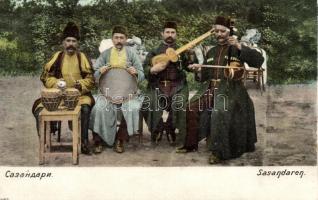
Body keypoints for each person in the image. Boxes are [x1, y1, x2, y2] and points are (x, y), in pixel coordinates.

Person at [177, 16, 264, 164]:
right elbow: (204, 76)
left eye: (222, 31)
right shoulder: (211, 52)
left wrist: (239, 46)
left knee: (219, 111)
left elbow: (258, 60)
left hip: (231, 90)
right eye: (216, 31)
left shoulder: (237, 47)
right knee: (191, 107)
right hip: (211, 89)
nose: (219, 34)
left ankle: (219, 152)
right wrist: (198, 69)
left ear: (229, 31)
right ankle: (190, 144)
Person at [32, 22, 95, 155]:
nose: (71, 44)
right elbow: (45, 77)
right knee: (39, 110)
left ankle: (83, 141)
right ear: (63, 43)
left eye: (73, 41)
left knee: (85, 108)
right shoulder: (58, 57)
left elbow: (91, 80)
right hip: (58, 96)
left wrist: (81, 85)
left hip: (79, 96)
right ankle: (44, 141)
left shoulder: (81, 57)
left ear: (77, 43)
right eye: (68, 40)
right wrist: (56, 83)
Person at [89, 25, 144, 153]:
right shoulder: (105, 55)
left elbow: (142, 74)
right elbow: (94, 75)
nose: (119, 40)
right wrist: (99, 72)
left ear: (125, 40)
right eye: (116, 37)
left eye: (121, 38)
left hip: (128, 94)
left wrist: (135, 72)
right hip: (106, 94)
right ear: (112, 39)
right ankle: (98, 141)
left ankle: (120, 139)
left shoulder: (132, 54)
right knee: (97, 108)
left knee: (133, 108)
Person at [141, 21, 195, 145]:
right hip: (158, 86)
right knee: (147, 104)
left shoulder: (182, 50)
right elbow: (144, 69)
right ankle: (158, 128)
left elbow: (189, 66)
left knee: (180, 103)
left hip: (178, 86)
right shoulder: (154, 51)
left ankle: (170, 128)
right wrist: (152, 70)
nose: (170, 35)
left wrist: (191, 54)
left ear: (176, 34)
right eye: (167, 32)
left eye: (173, 32)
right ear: (162, 34)